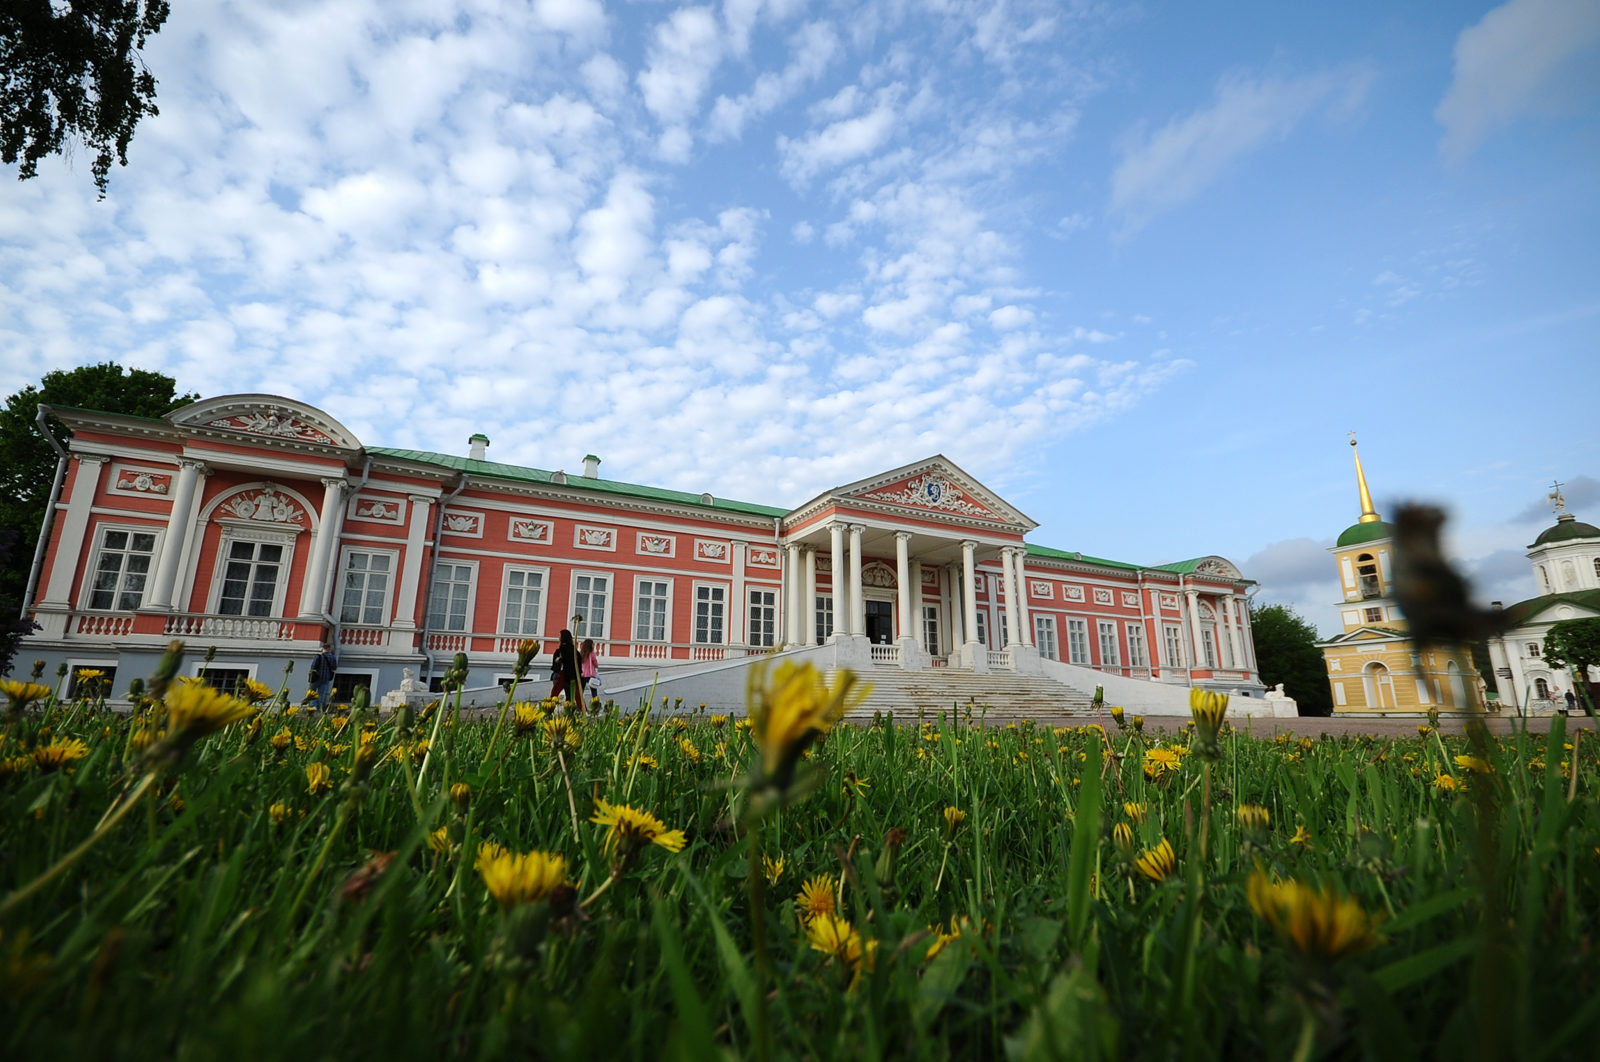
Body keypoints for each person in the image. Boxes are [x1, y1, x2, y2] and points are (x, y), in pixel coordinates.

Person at [549, 629, 581, 707]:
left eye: (559, 636)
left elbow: (566, 660)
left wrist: (559, 660)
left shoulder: (562, 649)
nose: (558, 638)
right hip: (572, 676)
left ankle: (550, 707)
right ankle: (571, 709)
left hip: (563, 674)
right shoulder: (574, 651)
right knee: (572, 696)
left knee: (554, 693)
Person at [310, 640, 338, 710]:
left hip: (316, 677)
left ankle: (313, 706)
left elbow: (313, 667)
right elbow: (334, 667)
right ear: (329, 649)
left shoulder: (318, 656)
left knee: (312, 692)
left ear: (323, 648)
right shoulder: (332, 657)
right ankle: (320, 707)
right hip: (326, 677)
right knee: (321, 693)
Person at [579, 638, 601, 704]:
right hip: (590, 675)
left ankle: (579, 706)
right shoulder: (592, 654)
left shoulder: (581, 654)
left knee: (581, 692)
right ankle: (595, 705)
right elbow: (595, 664)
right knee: (594, 691)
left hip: (582, 675)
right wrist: (596, 665)